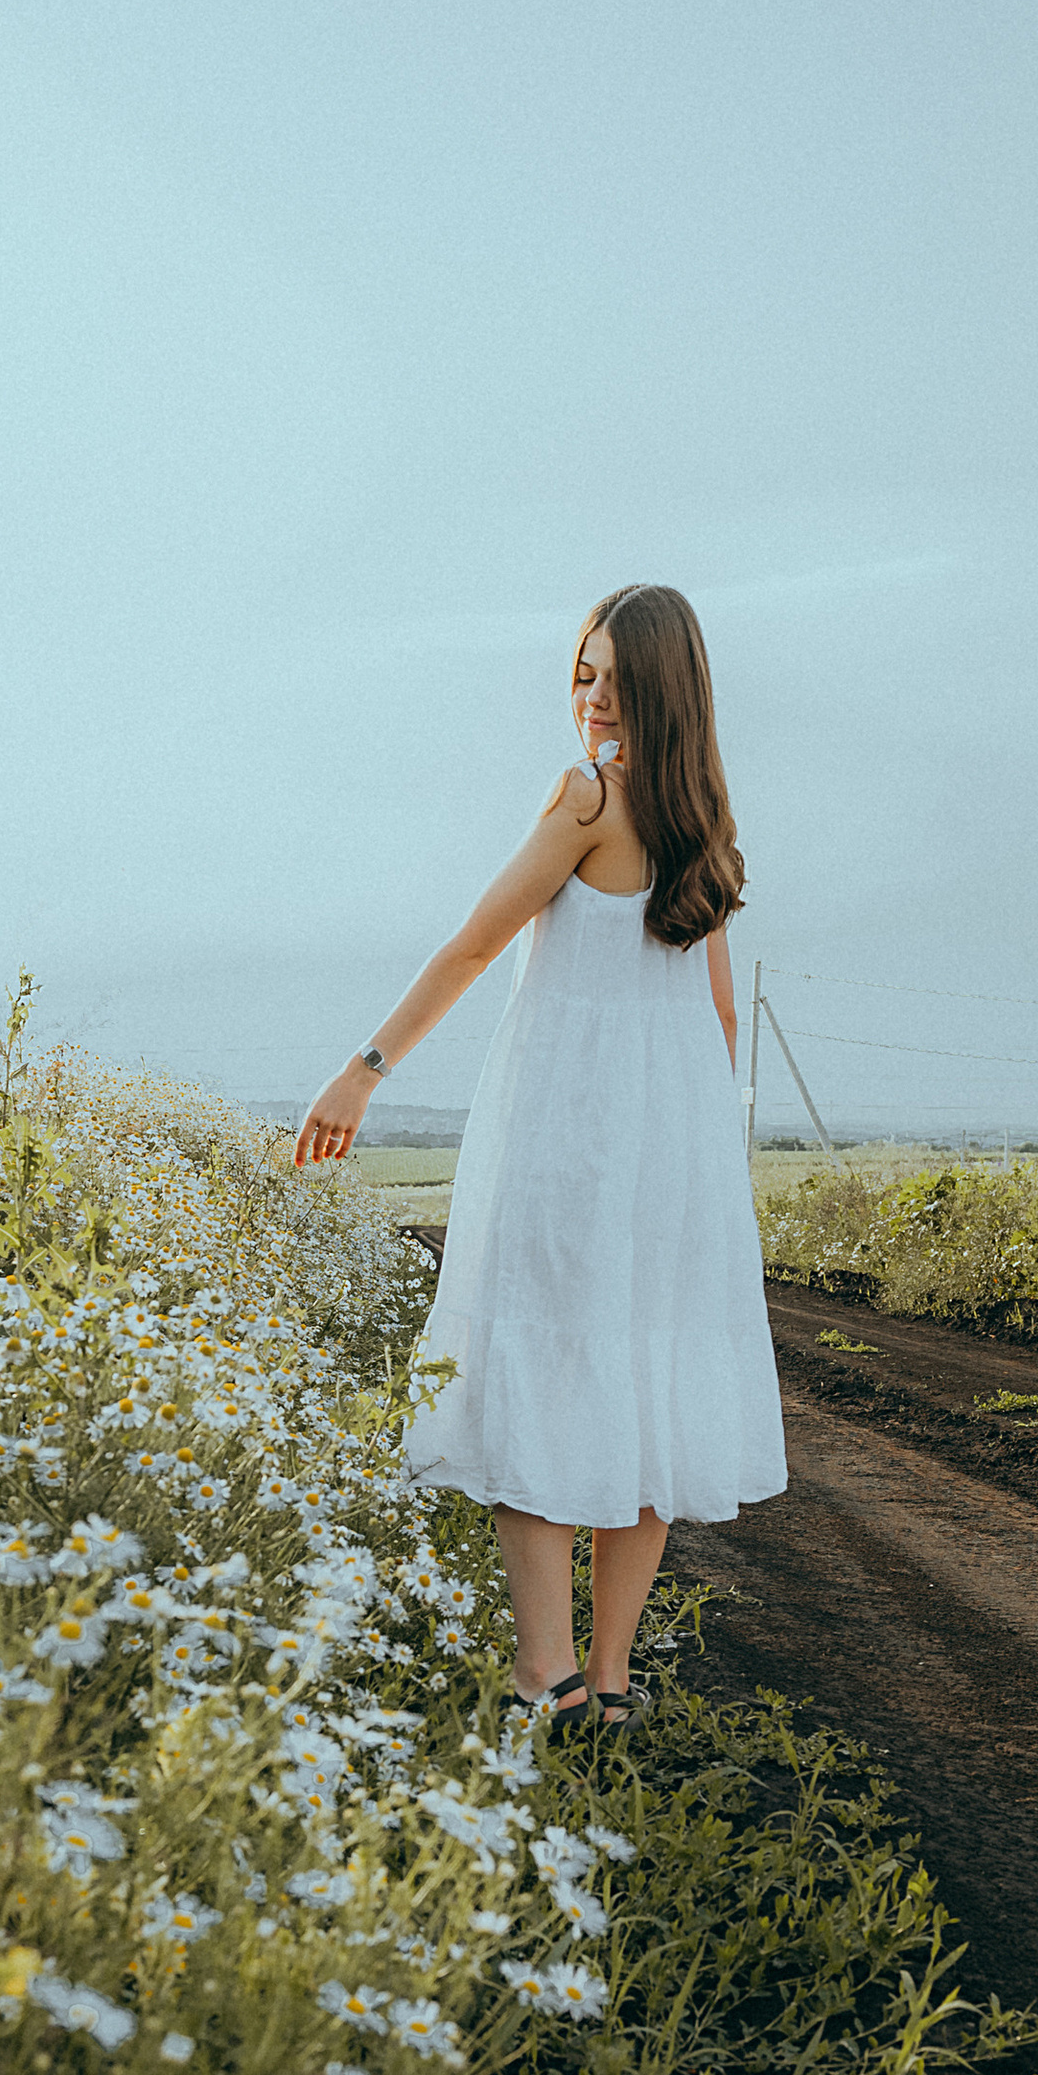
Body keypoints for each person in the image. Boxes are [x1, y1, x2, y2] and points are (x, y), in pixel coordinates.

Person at [293, 582, 786, 1734]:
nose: (592, 696)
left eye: (613, 676)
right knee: (647, 1387)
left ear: (663, 690)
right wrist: (707, 1168)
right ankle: (607, 1683)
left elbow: (474, 944)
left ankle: (547, 1676)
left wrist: (362, 1068)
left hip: (569, 1140)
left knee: (542, 1380)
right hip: (673, 1154)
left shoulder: (582, 803)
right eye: (581, 671)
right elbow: (713, 1021)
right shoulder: (705, 827)